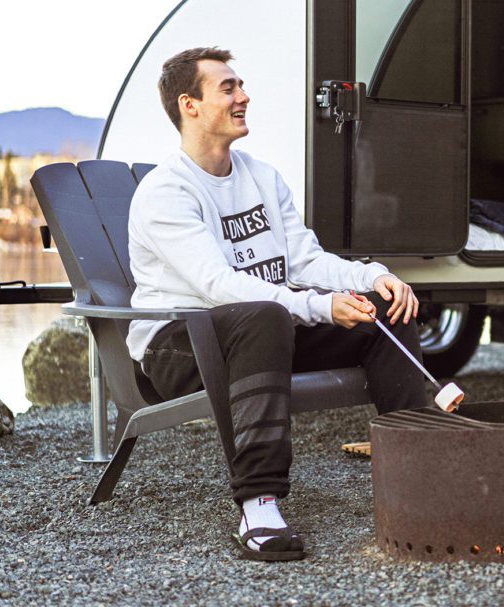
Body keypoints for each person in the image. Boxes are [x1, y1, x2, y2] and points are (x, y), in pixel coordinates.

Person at [127, 47, 428, 562]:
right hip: (179, 347)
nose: (244, 96)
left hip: (263, 334)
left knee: (380, 314)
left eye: (240, 85)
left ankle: (426, 467)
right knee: (266, 315)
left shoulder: (261, 176)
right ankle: (258, 504)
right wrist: (318, 308)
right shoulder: (165, 192)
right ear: (189, 104)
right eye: (227, 88)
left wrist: (373, 276)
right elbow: (218, 285)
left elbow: (305, 260)